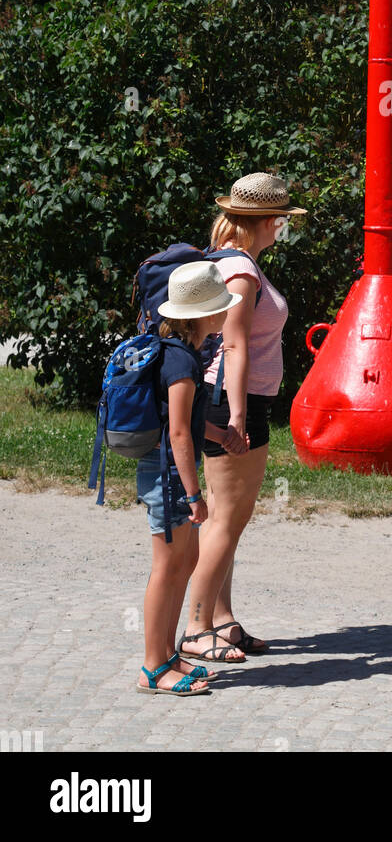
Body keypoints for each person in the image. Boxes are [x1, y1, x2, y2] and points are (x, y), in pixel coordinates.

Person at [179, 172, 306, 665]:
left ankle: (220, 618)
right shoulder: (242, 272)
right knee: (227, 518)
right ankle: (194, 626)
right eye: (282, 220)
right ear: (268, 220)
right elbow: (232, 344)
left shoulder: (233, 261)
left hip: (236, 398)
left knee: (224, 514)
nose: (283, 229)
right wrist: (236, 416)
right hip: (235, 400)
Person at [136, 261, 246, 696]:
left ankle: (168, 656)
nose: (226, 314)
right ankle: (151, 667)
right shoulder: (181, 361)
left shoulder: (184, 353)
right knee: (167, 568)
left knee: (183, 564)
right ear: (200, 315)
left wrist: (220, 433)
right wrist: (194, 493)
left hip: (171, 471)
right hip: (169, 474)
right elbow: (179, 431)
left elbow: (190, 423)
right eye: (221, 308)